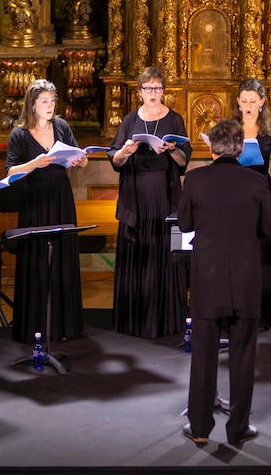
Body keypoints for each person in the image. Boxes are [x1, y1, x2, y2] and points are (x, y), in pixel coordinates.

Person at [177, 119, 271, 445]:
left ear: (211, 149)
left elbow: (184, 223)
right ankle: (238, 429)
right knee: (243, 355)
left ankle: (200, 428)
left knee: (203, 354)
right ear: (241, 148)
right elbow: (266, 231)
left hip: (207, 276)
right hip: (246, 277)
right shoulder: (257, 182)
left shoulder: (195, 179)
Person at [108, 67, 192, 338]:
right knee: (138, 255)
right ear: (140, 92)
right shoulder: (130, 120)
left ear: (163, 91)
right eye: (148, 88)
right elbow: (115, 160)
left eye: (157, 88)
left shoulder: (175, 120)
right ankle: (134, 320)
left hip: (165, 196)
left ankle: (167, 320)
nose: (153, 92)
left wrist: (172, 150)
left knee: (165, 254)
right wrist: (125, 151)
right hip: (136, 197)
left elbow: (184, 161)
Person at [5, 79, 87, 344]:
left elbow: (81, 158)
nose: (50, 106)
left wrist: (80, 160)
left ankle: (65, 325)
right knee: (37, 258)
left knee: (62, 254)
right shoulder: (19, 134)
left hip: (61, 196)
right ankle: (35, 325)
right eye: (44, 102)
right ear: (32, 105)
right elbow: (10, 171)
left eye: (52, 101)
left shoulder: (61, 126)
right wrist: (34, 163)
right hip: (35, 199)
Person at [233, 78, 271, 331]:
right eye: (244, 101)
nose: (248, 106)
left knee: (262, 257)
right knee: (236, 256)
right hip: (234, 195)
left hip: (262, 195)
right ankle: (236, 313)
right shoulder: (230, 128)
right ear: (238, 102)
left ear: (262, 102)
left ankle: (261, 317)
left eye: (252, 101)